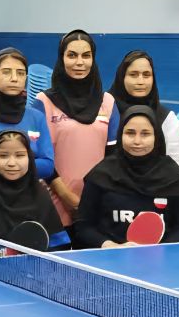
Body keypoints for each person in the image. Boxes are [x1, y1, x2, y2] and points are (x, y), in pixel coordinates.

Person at [32, 30, 116, 240]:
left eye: (86, 56)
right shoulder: (43, 102)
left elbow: (114, 157)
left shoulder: (108, 102)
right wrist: (67, 197)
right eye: (72, 55)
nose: (79, 62)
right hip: (55, 205)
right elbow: (40, 156)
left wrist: (93, 200)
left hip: (98, 205)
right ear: (62, 58)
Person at [76, 106, 179, 248]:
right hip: (110, 255)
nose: (137, 141)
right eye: (130, 133)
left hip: (161, 256)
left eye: (145, 134)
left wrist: (159, 250)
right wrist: (110, 246)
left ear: (156, 136)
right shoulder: (101, 175)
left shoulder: (174, 177)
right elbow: (83, 226)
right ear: (120, 134)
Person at [0, 130, 69, 250]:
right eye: (3, 156)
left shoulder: (41, 196)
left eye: (19, 155)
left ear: (30, 158)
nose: (11, 163)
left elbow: (58, 247)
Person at [0, 48, 54, 179]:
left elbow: (48, 166)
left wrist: (10, 165)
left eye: (20, 73)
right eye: (6, 72)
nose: (14, 78)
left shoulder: (37, 117)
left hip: (28, 191)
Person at [107, 50, 179, 168]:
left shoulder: (166, 118)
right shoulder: (106, 111)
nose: (140, 82)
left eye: (146, 75)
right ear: (122, 77)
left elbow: (175, 165)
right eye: (133, 75)